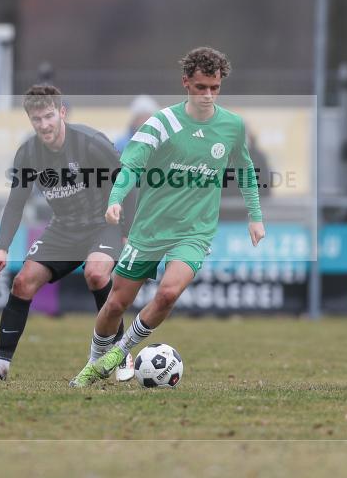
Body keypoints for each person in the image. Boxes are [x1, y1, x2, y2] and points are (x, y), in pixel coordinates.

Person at [69, 46, 266, 388]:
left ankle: (119, 353)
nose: (208, 95)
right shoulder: (162, 122)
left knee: (168, 294)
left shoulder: (232, 126)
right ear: (186, 83)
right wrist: (116, 199)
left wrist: (255, 215)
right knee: (116, 303)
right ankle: (94, 360)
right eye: (201, 87)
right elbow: (130, 165)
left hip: (195, 231)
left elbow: (246, 170)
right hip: (150, 228)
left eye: (215, 88)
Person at [0, 85, 136, 382]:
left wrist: (126, 232)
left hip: (103, 224)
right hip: (64, 227)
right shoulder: (28, 152)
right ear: (30, 121)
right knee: (22, 284)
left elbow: (127, 183)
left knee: (97, 274)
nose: (44, 124)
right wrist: (1, 247)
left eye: (49, 116)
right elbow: (15, 203)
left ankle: (120, 352)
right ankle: (0, 367)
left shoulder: (90, 143)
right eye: (37, 119)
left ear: (61, 112)